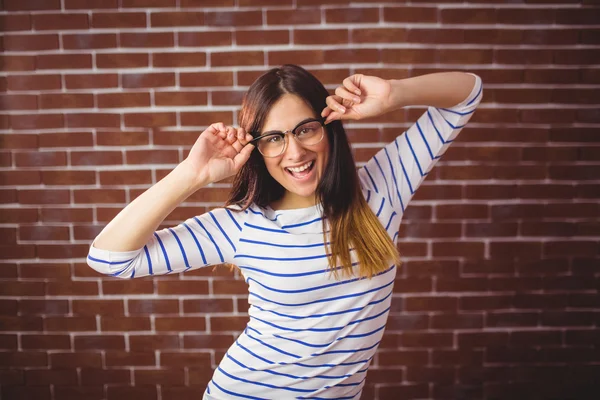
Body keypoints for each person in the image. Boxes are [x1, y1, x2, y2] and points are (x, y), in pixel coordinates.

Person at [87, 64, 482, 399]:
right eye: (274, 138)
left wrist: (395, 93)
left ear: (328, 127)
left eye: (305, 129)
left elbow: (467, 93)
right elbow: (109, 259)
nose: (294, 153)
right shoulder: (240, 225)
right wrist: (191, 176)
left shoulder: (381, 190)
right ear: (257, 149)